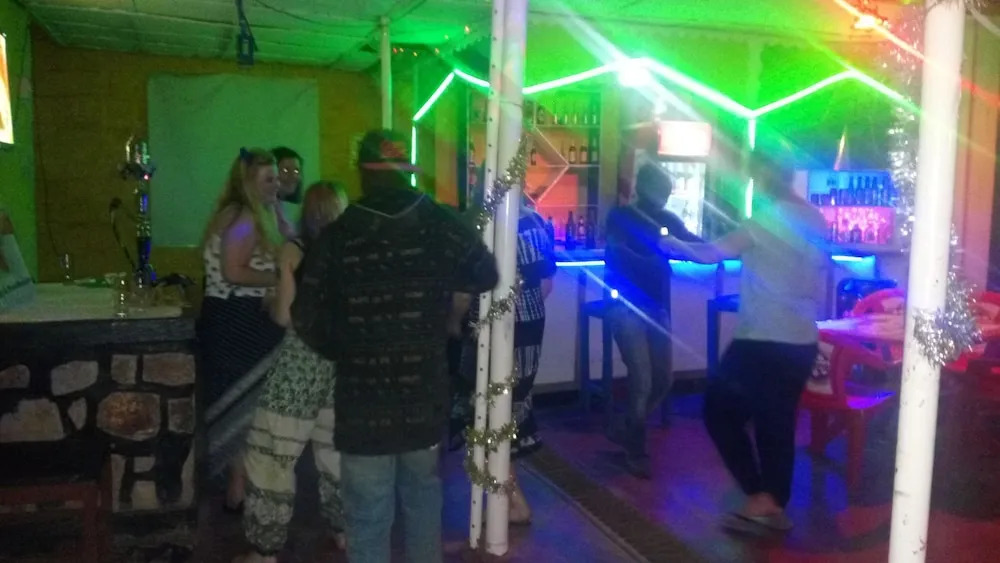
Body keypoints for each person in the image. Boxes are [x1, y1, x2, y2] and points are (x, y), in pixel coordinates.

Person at [293, 130, 499, 563]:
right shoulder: (438, 223)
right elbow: (485, 273)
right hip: (423, 394)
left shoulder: (339, 235)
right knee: (423, 504)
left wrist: (349, 350)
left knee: (368, 516)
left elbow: (306, 318)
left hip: (363, 403)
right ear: (408, 171)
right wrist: (442, 302)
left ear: (362, 173)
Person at [660, 153, 828, 532]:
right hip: (801, 337)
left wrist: (669, 242)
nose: (753, 182)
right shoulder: (815, 218)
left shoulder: (767, 219)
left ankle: (761, 496)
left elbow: (710, 254)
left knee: (719, 410)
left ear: (764, 177)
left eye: (754, 175)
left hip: (763, 338)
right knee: (777, 422)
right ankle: (772, 501)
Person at [234, 182, 349, 563]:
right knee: (335, 453)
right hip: (341, 365)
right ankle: (344, 531)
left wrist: (272, 302)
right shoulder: (353, 252)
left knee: (271, 453)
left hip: (300, 364)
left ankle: (264, 552)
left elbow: (285, 316)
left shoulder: (294, 251)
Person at [198, 148, 287, 512]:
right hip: (238, 319)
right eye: (269, 179)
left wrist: (277, 209)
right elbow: (234, 272)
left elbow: (287, 238)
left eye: (277, 178)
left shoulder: (245, 213)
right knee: (247, 405)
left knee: (241, 405)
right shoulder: (245, 217)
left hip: (230, 318)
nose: (276, 185)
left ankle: (239, 489)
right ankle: (240, 489)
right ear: (248, 182)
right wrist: (279, 278)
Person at [603, 162, 702, 478]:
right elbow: (617, 254)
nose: (666, 196)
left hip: (657, 307)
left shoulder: (668, 219)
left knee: (662, 380)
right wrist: (657, 255)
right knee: (643, 380)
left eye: (667, 191)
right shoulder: (620, 216)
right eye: (662, 190)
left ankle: (626, 427)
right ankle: (635, 449)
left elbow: (693, 243)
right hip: (625, 306)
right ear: (644, 188)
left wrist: (729, 246)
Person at [272, 146, 303, 236]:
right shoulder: (257, 210)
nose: (292, 176)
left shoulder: (296, 209)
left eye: (296, 171)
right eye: (285, 170)